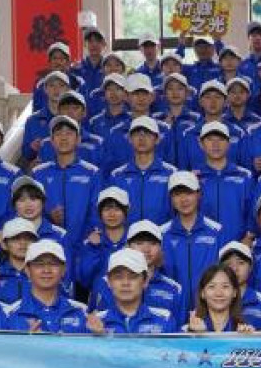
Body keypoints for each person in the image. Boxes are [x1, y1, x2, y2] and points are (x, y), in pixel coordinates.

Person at [32, 115, 102, 248]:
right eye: (58, 134)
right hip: (48, 247)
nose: (63, 138)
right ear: (52, 141)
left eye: (69, 133)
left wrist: (88, 240)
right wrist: (49, 216)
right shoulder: (38, 173)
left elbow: (96, 212)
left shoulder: (92, 172)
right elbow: (30, 211)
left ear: (78, 140)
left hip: (84, 247)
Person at [161, 171, 223, 303]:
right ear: (171, 199)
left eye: (188, 193)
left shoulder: (217, 231)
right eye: (177, 194)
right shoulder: (161, 234)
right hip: (173, 306)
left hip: (208, 306)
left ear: (198, 194)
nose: (183, 199)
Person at [109, 117, 177, 226]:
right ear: (129, 139)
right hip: (128, 236)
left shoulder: (172, 173)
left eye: (147, 134)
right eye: (137, 134)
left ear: (157, 139)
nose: (142, 138)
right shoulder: (117, 175)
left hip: (161, 235)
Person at [196, 121, 255, 245]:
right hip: (203, 247)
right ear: (201, 144)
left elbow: (253, 212)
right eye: (210, 139)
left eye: (221, 139)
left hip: (237, 247)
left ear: (228, 144)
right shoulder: (193, 178)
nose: (215, 144)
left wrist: (248, 238)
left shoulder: (245, 176)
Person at [75, 187, 130, 294]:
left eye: (117, 209)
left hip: (130, 299)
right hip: (99, 301)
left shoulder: (135, 240)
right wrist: (93, 249)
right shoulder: (89, 243)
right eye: (107, 209)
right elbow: (84, 280)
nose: (112, 214)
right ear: (99, 212)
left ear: (126, 210)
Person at [218, 241, 261, 329]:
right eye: (228, 264)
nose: (234, 269)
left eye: (241, 263)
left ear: (250, 267)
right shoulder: (214, 301)